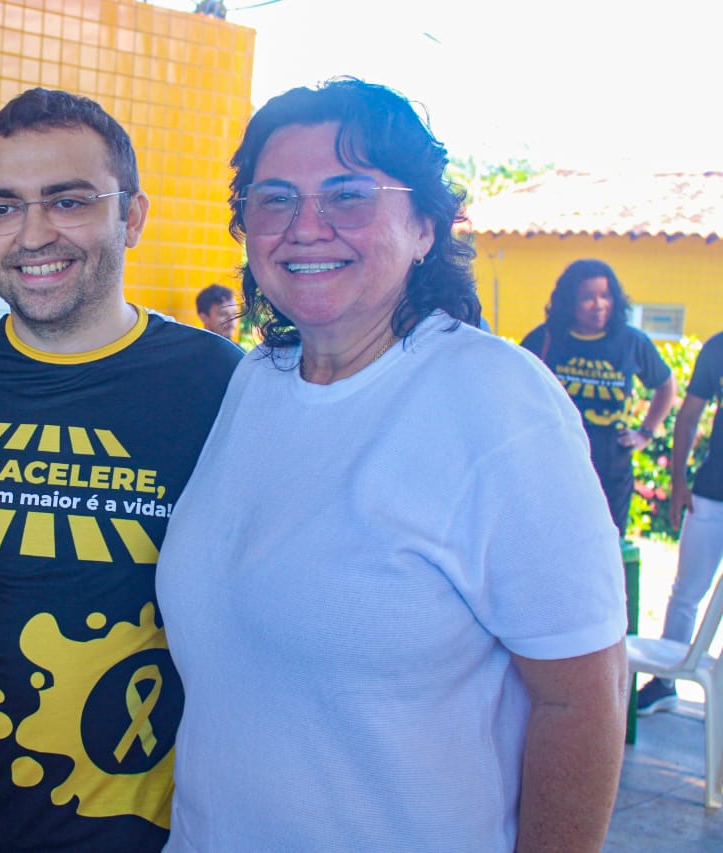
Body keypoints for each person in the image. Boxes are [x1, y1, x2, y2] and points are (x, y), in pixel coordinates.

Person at [156, 79, 628, 851]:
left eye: (348, 195)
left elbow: (583, 698)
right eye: (274, 200)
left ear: (426, 227)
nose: (306, 228)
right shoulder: (256, 381)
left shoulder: (497, 400)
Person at [0, 88, 242, 852]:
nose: (33, 234)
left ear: (133, 217)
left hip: (142, 828)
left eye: (69, 200)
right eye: (2, 207)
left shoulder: (218, 383)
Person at [521, 259, 676, 537]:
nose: (599, 304)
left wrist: (645, 433)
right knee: (554, 539)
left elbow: (666, 386)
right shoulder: (545, 339)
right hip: (555, 464)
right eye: (587, 297)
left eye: (605, 295)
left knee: (607, 542)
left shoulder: (631, 342)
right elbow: (516, 387)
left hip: (612, 467)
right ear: (569, 301)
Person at [636, 330, 723, 714]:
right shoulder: (718, 347)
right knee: (686, 592)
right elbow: (688, 415)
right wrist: (678, 482)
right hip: (712, 491)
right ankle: (664, 683)